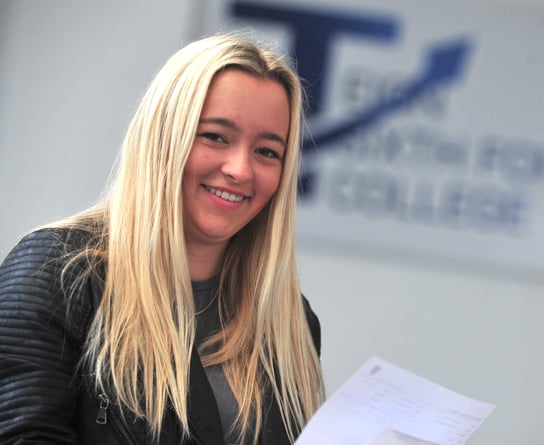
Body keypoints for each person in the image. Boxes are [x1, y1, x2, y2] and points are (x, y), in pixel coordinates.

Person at [0, 33, 324, 445]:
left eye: (266, 152)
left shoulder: (289, 321)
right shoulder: (55, 274)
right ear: (162, 138)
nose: (240, 170)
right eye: (215, 137)